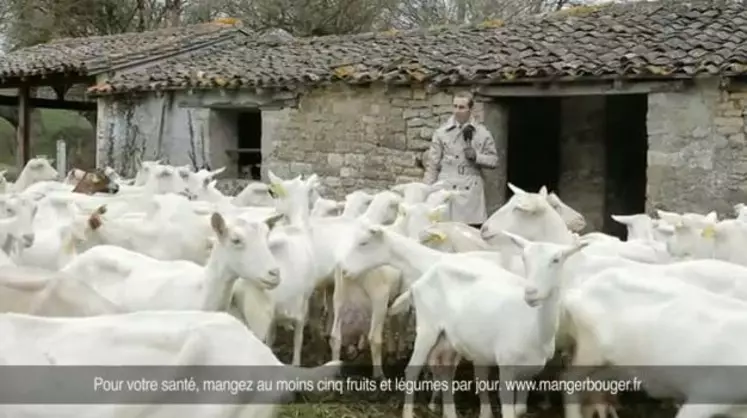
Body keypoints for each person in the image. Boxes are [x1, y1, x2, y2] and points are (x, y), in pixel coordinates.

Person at [423, 92, 498, 228]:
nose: (457, 111)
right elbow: (432, 164)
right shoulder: (441, 133)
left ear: (471, 109)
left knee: (469, 233)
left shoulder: (482, 133)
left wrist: (477, 157)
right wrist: (426, 190)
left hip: (470, 190)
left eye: (462, 107)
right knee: (441, 231)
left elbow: (494, 161)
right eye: (455, 106)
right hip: (446, 188)